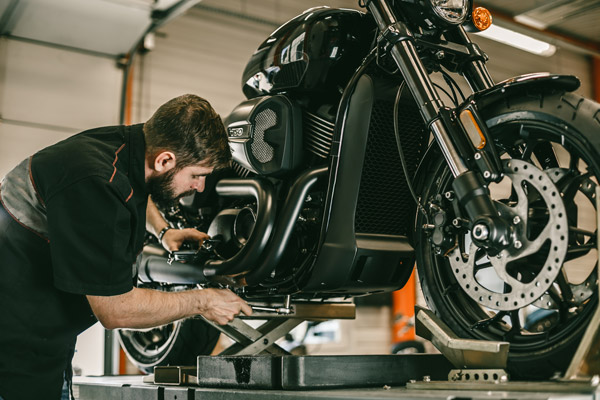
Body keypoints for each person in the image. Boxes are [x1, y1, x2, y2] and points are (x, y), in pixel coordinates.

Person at [0, 94, 253, 400]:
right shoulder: (96, 182)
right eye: (197, 175)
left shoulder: (129, 145)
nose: (199, 187)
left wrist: (163, 232)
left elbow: (137, 185)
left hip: (45, 336)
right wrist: (204, 301)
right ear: (165, 160)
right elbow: (115, 309)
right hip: (15, 349)